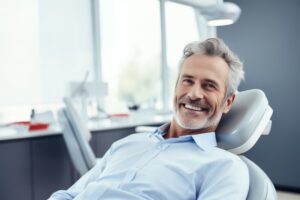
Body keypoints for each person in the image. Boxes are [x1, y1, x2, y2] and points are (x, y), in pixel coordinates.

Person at [49, 38, 249, 200]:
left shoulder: (224, 167)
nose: (194, 94)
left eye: (209, 86)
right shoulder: (127, 144)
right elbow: (68, 195)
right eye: (187, 81)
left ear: (228, 102)